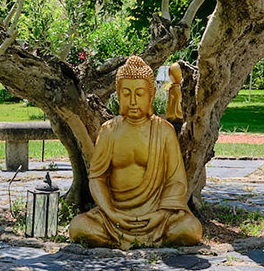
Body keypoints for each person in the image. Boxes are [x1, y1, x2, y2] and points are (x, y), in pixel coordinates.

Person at [68, 56, 202, 248]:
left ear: (151, 94)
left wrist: (161, 214)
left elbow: (176, 181)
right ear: (118, 94)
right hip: (115, 216)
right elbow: (97, 177)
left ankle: (142, 236)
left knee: (190, 229)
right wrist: (111, 212)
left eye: (139, 94)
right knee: (78, 227)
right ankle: (120, 236)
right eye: (126, 94)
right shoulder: (109, 130)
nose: (132, 101)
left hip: (157, 216)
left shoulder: (164, 131)